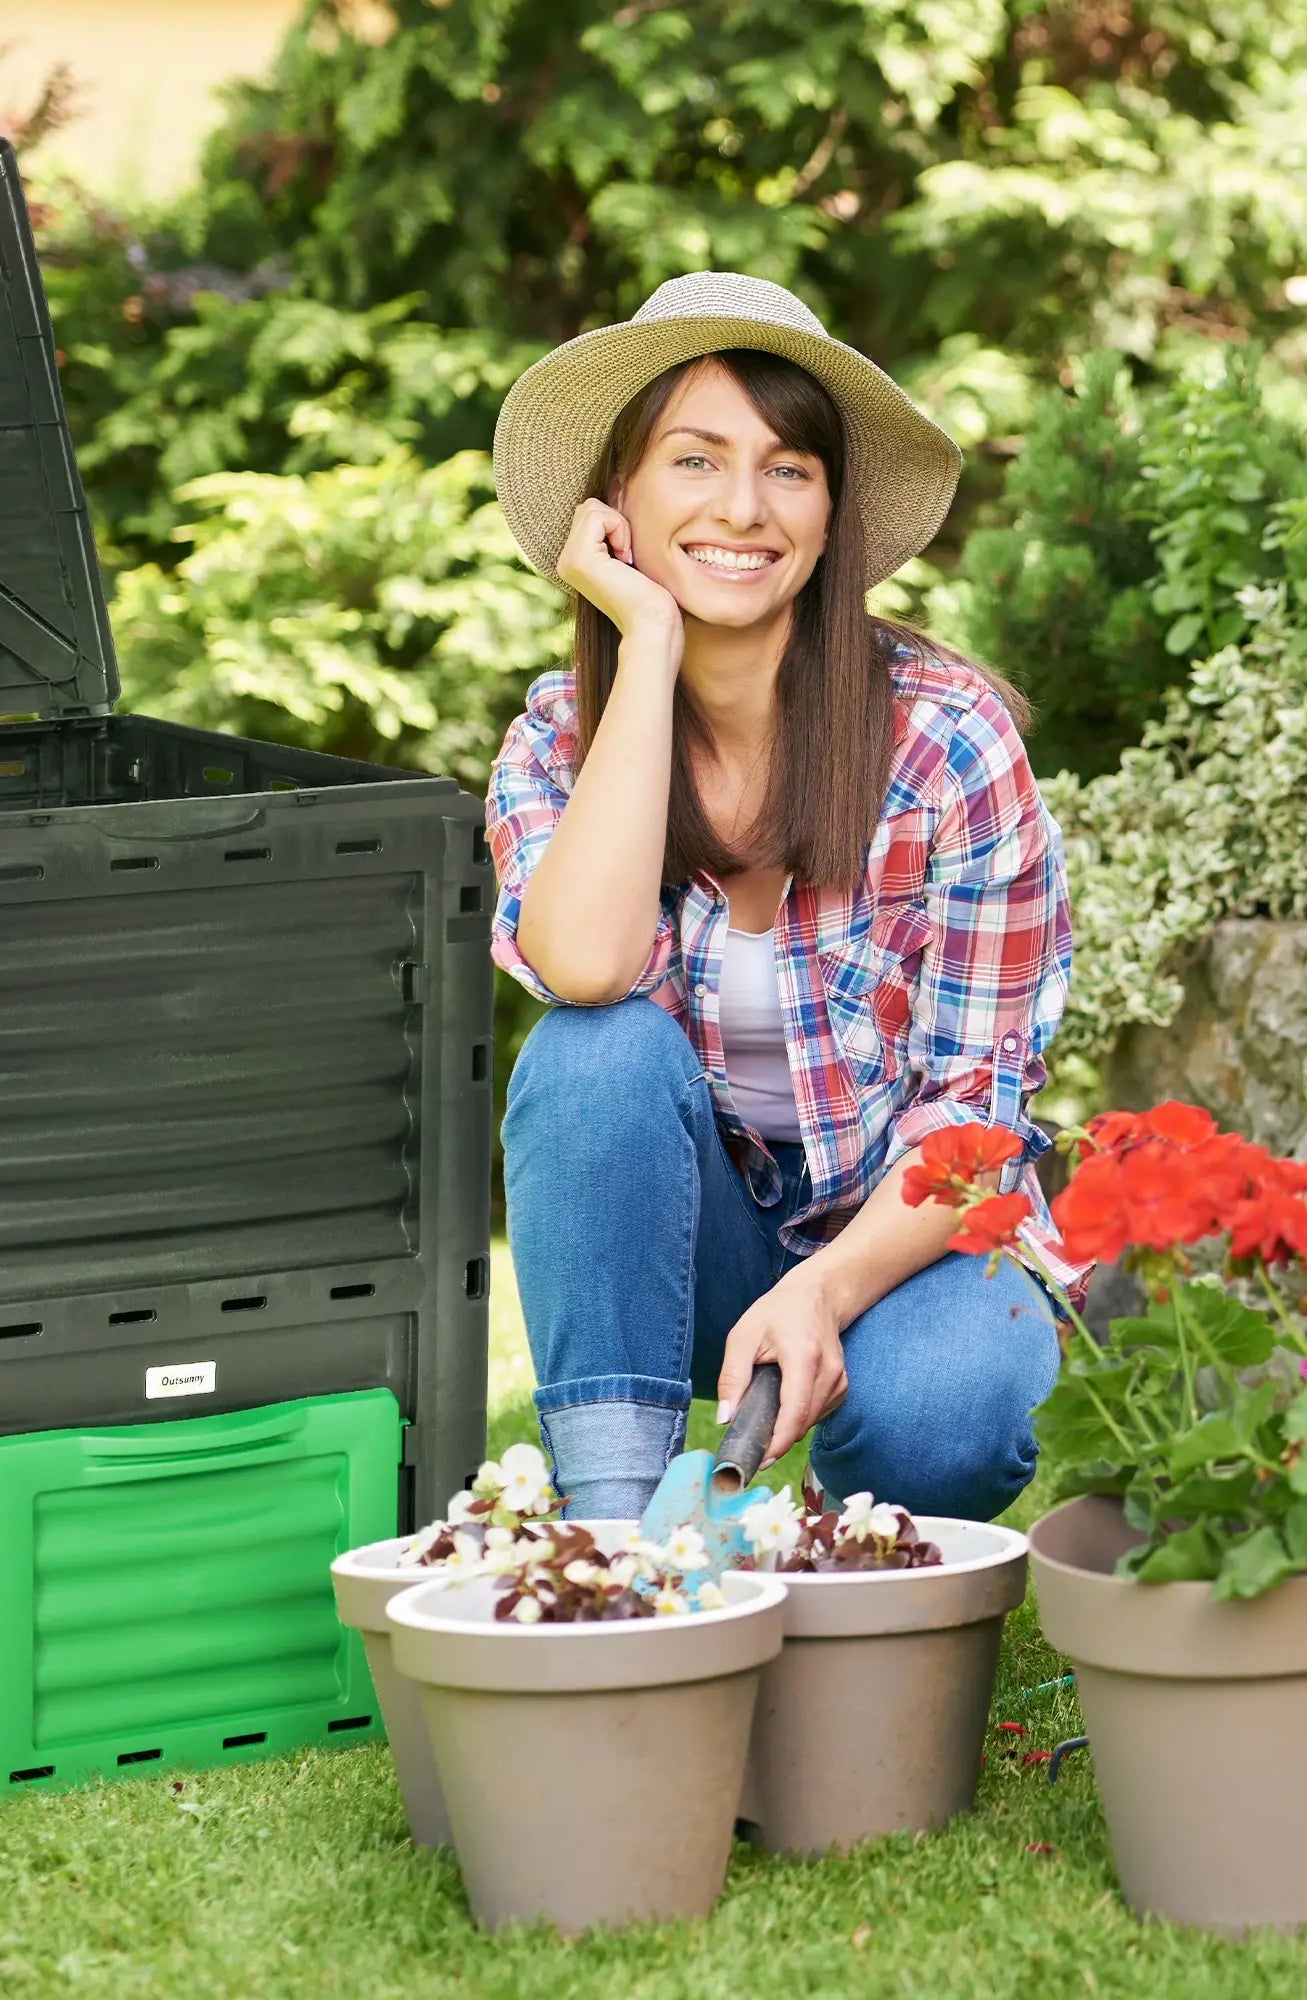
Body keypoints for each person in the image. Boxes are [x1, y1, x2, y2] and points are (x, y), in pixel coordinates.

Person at [485, 272, 1086, 1524]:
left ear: (828, 515)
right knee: (589, 1055)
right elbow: (586, 973)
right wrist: (644, 642)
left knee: (948, 1408)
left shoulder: (944, 744)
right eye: (693, 461)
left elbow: (972, 1112)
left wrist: (820, 1292)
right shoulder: (557, 746)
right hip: (689, 1243)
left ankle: (853, 1546)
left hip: (907, 1234)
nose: (742, 509)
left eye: (788, 468)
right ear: (618, 506)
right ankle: (615, 1537)